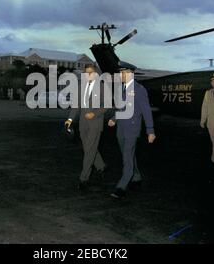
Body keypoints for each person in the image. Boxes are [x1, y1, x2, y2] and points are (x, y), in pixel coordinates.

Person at [108, 63, 156, 198]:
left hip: (132, 128)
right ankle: (136, 177)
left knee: (127, 156)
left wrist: (150, 130)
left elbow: (146, 111)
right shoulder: (122, 89)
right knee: (128, 154)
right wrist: (114, 118)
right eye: (120, 73)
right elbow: (120, 108)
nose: (121, 75)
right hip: (121, 128)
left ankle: (122, 186)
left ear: (130, 74)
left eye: (123, 73)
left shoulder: (139, 89)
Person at [64, 64, 108, 191]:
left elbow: (106, 105)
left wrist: (94, 113)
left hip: (95, 124)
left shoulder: (102, 87)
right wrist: (70, 119)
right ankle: (101, 166)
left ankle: (84, 179)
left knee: (89, 151)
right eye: (85, 73)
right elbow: (76, 106)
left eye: (90, 73)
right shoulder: (80, 87)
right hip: (83, 124)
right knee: (89, 149)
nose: (87, 75)